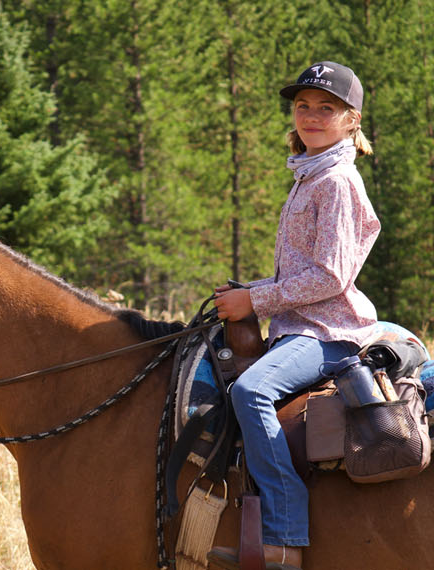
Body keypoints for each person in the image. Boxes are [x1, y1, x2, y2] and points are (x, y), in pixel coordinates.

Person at [208, 61, 380, 570]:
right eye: (303, 105)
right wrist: (248, 290)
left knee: (250, 390)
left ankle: (284, 540)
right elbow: (302, 273)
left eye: (326, 108)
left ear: (351, 119)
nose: (310, 115)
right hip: (300, 326)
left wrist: (255, 302)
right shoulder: (310, 173)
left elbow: (330, 278)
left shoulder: (336, 181)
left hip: (329, 331)